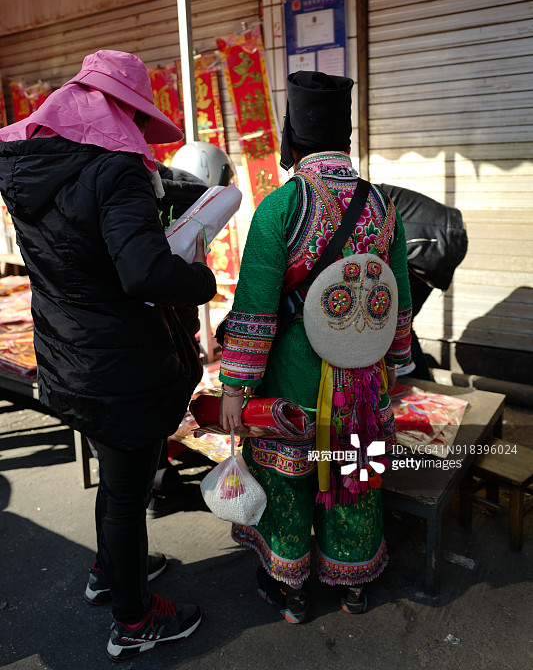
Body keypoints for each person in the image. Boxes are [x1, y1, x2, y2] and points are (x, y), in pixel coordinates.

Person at [0, 50, 217, 662]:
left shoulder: (29, 166)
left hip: (68, 355)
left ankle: (109, 570)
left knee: (117, 482)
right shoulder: (113, 170)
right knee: (124, 492)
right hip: (120, 364)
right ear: (121, 110)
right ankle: (134, 618)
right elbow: (144, 271)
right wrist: (199, 281)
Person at [219, 71, 412, 623]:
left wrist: (236, 387)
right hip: (363, 381)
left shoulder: (280, 209)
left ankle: (291, 590)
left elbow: (255, 312)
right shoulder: (383, 207)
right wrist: (394, 364)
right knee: (355, 471)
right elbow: (397, 302)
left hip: (294, 383)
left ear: (291, 138)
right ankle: (353, 586)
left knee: (288, 480)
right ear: (344, 139)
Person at [380, 184, 468, 380]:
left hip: (426, 243)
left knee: (395, 317)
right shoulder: (365, 190)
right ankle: (418, 380)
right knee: (404, 320)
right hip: (447, 235)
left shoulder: (354, 196)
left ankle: (404, 373)